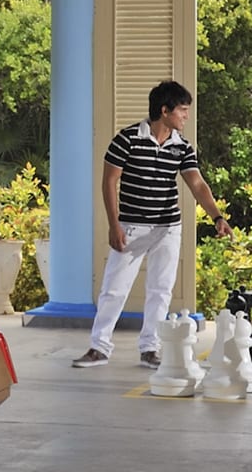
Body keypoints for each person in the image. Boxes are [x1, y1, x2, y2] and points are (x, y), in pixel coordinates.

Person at [75, 80, 232, 368]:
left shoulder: (182, 146)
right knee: (114, 289)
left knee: (161, 289)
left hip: (168, 228)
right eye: (182, 110)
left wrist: (217, 217)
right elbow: (109, 181)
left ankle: (150, 348)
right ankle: (99, 347)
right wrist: (114, 225)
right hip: (131, 227)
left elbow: (197, 184)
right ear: (164, 110)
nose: (186, 116)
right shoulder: (127, 139)